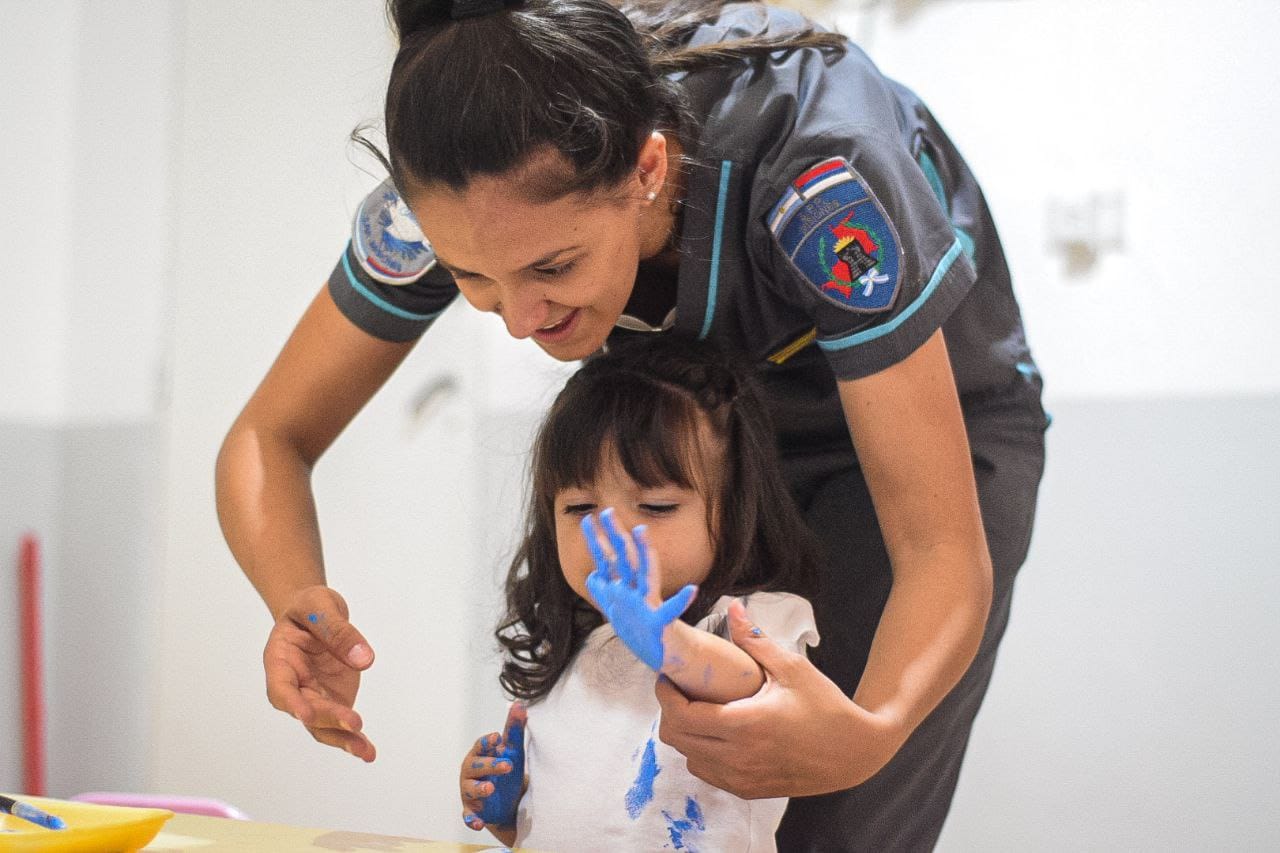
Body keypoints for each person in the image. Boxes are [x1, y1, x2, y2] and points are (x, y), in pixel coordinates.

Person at [214, 0, 1050, 848]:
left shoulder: (820, 179)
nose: (519, 319)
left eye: (555, 266)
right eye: (474, 278)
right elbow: (267, 438)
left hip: (925, 438)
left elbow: (941, 550)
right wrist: (295, 602)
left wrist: (870, 735)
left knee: (820, 806)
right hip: (697, 454)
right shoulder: (464, 200)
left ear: (647, 168)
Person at [458, 336, 821, 850]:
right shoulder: (571, 648)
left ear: (736, 511)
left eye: (654, 506)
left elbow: (751, 688)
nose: (613, 531)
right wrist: (504, 804)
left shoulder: (750, 619)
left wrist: (664, 640)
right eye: (580, 508)